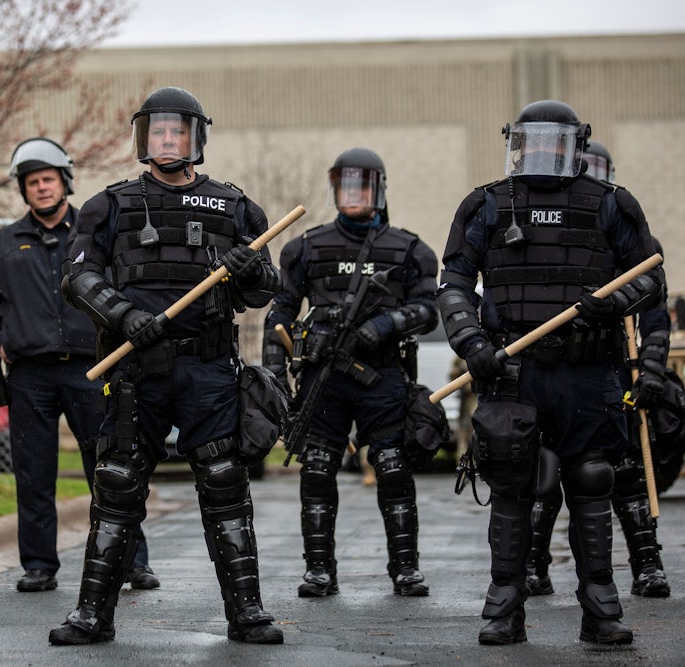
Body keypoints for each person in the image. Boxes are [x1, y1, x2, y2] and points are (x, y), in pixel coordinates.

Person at [49, 86, 284, 645]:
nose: (168, 140)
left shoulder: (234, 207)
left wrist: (247, 269)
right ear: (143, 138)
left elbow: (266, 289)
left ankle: (246, 613)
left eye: (178, 131)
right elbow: (76, 278)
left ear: (196, 138)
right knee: (118, 482)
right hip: (137, 370)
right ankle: (91, 615)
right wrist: (124, 314)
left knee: (224, 482)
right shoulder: (109, 205)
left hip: (207, 369)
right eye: (158, 131)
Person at [437, 100, 665, 646]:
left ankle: (601, 611)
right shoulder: (486, 204)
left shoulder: (612, 205)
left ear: (576, 145)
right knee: (515, 488)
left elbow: (651, 278)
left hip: (589, 374)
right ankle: (503, 611)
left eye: (552, 140)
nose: (540, 150)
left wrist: (614, 304)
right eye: (528, 140)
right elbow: (453, 284)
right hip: (514, 374)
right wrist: (471, 343)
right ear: (515, 143)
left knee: (591, 481)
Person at [0, 138, 159, 594]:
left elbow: (121, 294)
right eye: (33, 182)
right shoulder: (3, 246)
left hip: (90, 370)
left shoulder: (91, 236)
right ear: (24, 190)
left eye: (48, 179)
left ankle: (133, 562)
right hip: (29, 376)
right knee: (33, 473)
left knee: (111, 468)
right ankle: (38, 565)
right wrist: (1, 340)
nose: (42, 188)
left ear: (64, 182)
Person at [263, 147, 439, 599]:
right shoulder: (306, 248)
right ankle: (319, 570)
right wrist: (274, 376)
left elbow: (427, 310)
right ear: (334, 189)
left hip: (382, 377)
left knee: (393, 467)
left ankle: (405, 569)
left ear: (378, 189)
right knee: (317, 470)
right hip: (324, 379)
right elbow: (279, 315)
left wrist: (384, 325)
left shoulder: (410, 250)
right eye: (345, 185)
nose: (353, 193)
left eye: (362, 185)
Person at [525, 142, 672, 600]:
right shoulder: (546, 245)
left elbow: (655, 318)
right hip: (558, 374)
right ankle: (534, 565)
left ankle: (647, 564)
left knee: (624, 471)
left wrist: (651, 369)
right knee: (543, 475)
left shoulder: (639, 249)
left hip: (614, 371)